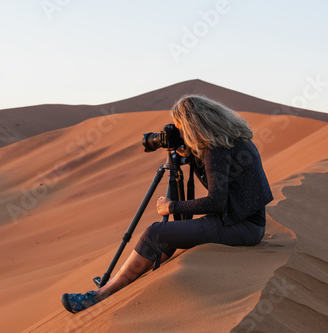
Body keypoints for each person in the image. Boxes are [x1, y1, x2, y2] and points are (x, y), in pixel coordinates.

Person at [61, 95, 273, 314]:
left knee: (155, 232)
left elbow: (216, 201)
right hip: (246, 222)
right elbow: (223, 188)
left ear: (192, 125)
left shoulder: (215, 149)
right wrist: (191, 154)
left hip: (241, 228)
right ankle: (121, 281)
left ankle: (100, 295)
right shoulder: (231, 139)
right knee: (169, 235)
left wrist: (171, 207)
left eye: (181, 128)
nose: (179, 133)